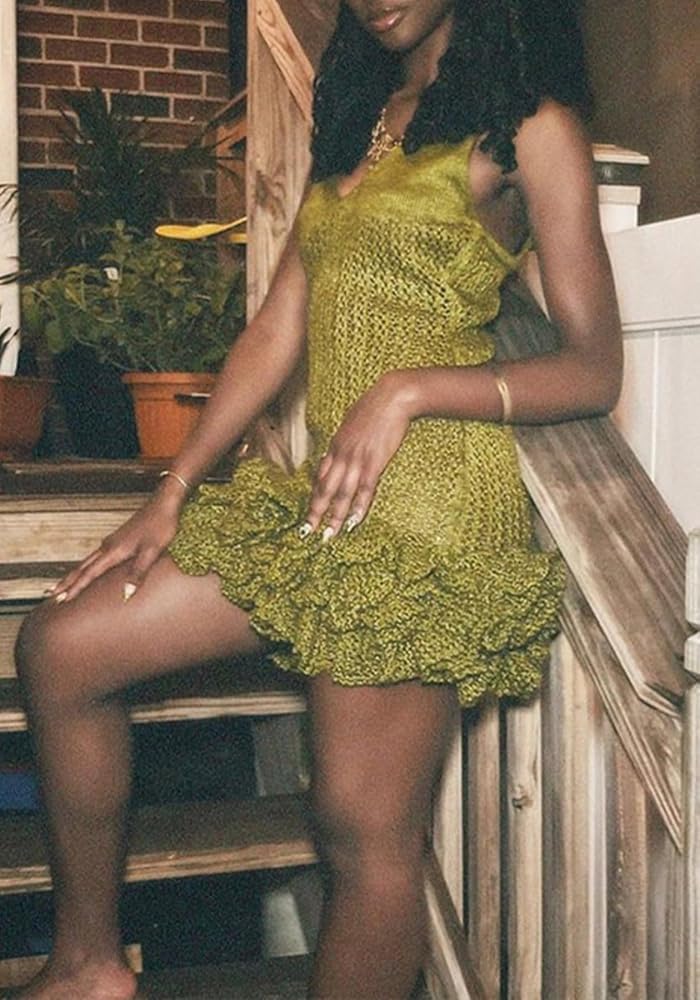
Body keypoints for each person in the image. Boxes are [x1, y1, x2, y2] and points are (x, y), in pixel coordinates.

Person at [13, 1, 622, 997]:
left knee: (360, 830)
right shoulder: (360, 115)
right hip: (326, 499)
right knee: (63, 648)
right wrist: (173, 490)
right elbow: (274, 329)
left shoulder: (531, 125)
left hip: (429, 511)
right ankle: (88, 965)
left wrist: (409, 389)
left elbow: (592, 368)